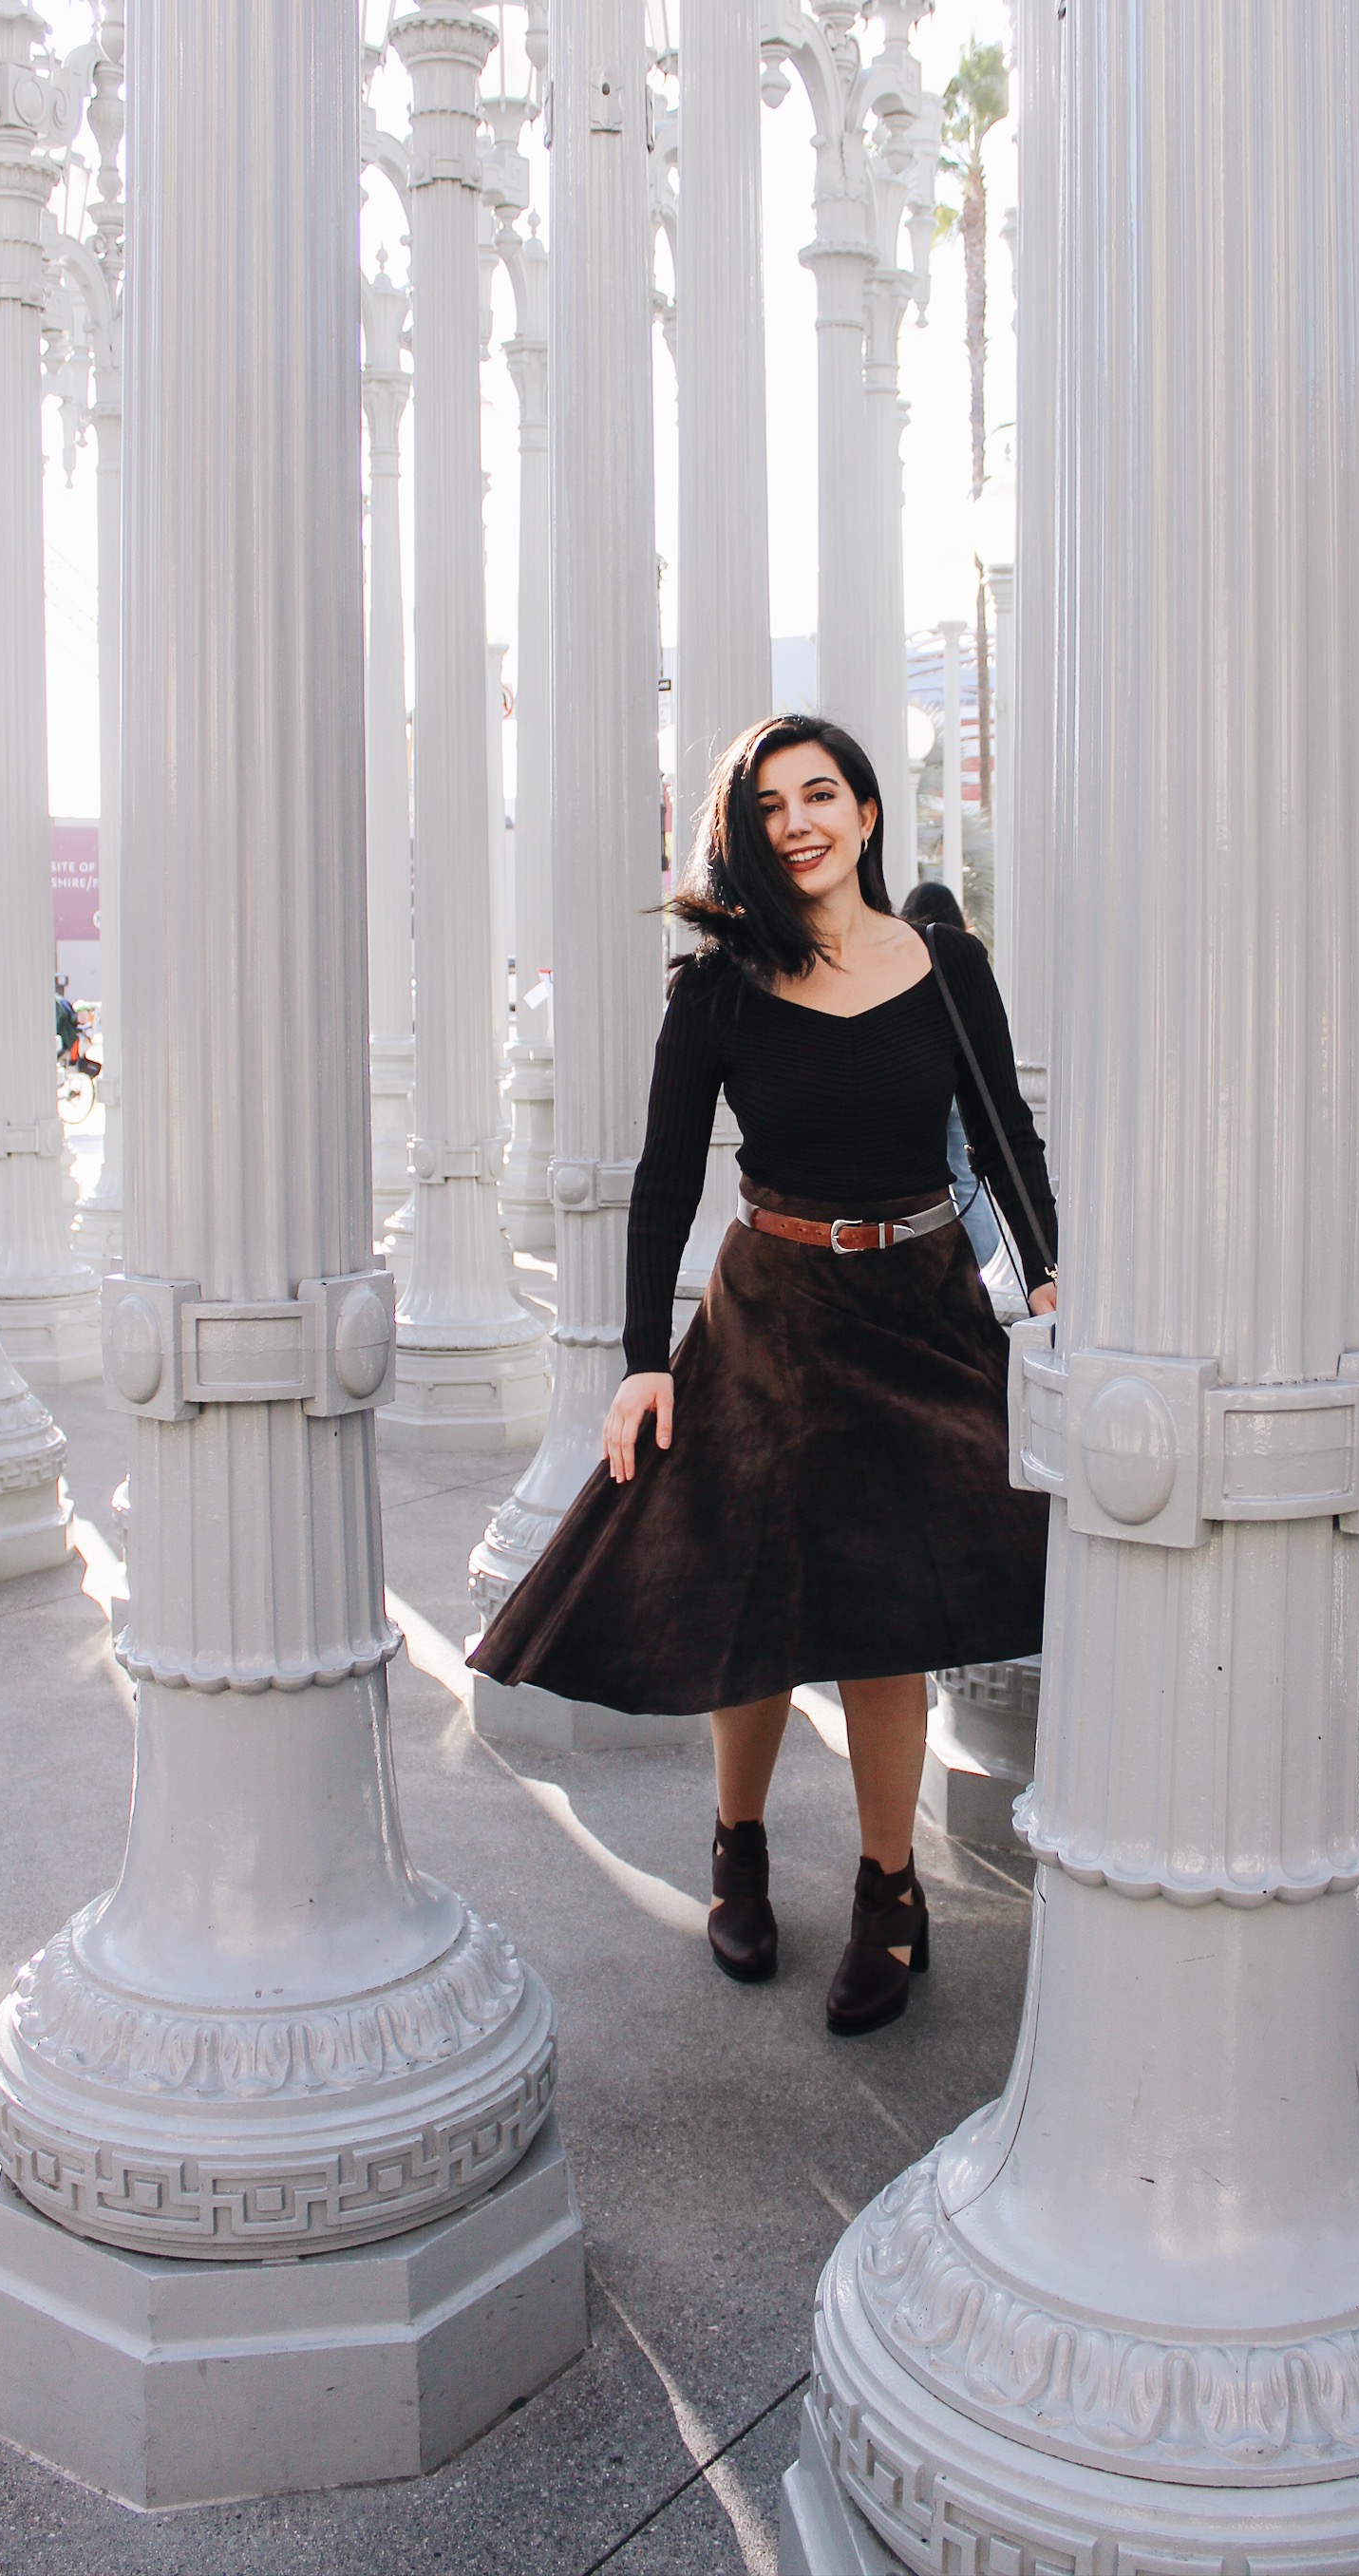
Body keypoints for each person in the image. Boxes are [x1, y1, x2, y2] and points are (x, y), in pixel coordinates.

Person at [471, 715, 1058, 2038]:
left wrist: (1050, 1277)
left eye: (822, 795)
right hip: (772, 1314)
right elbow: (664, 1180)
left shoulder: (947, 963)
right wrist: (641, 1362)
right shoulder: (718, 989)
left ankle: (889, 1891)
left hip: (919, 1302)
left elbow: (1003, 1134)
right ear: (745, 832)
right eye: (772, 805)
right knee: (756, 1605)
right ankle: (737, 1850)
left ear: (866, 812)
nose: (799, 823)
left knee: (892, 1616)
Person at [898, 880, 1002, 1271]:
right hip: (960, 1083)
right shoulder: (963, 957)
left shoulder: (902, 957)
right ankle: (983, 1268)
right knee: (966, 1178)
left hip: (917, 1082)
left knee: (914, 1181)